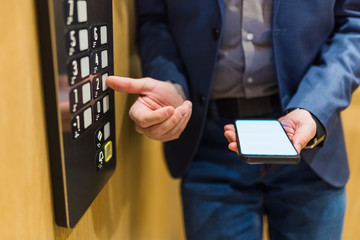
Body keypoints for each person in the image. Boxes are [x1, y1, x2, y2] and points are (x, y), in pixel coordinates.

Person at [107, 0, 360, 239]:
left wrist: (315, 105)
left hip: (309, 147)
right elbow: (154, 18)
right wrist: (169, 81)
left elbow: (354, 23)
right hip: (210, 142)